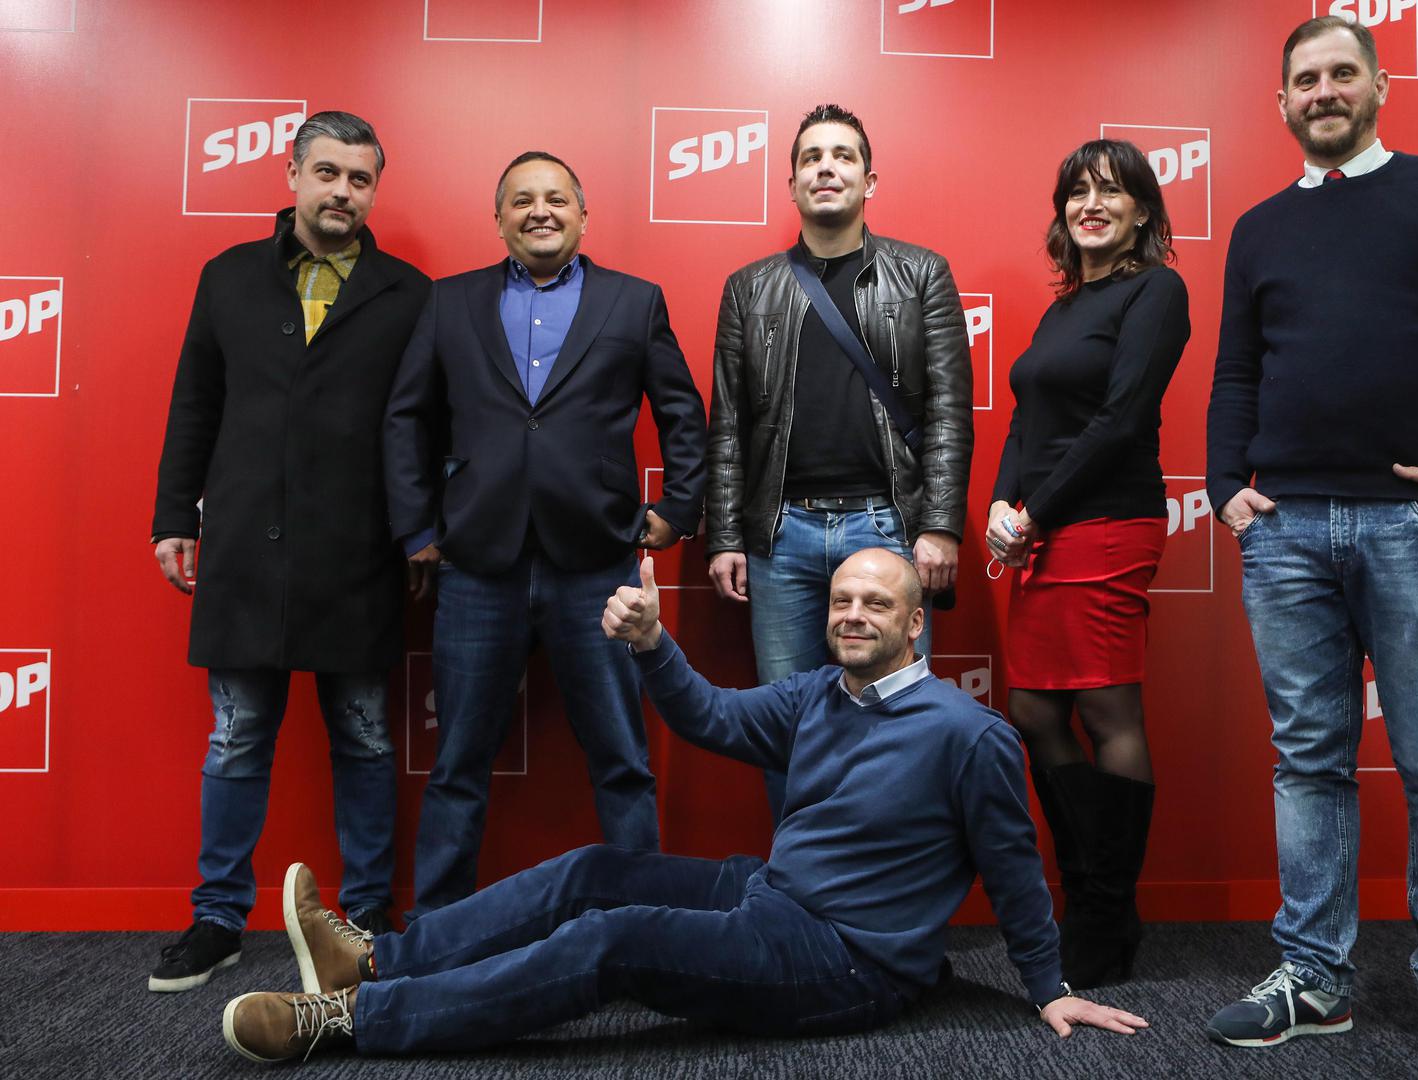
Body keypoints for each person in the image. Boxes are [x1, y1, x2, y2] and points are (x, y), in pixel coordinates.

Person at [218, 549, 1150, 1062]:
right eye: (840, 601)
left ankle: (351, 1020)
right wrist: (653, 643)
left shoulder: (967, 734)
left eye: (876, 603)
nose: (852, 615)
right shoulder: (817, 694)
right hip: (772, 895)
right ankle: (373, 957)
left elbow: (1013, 870)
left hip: (845, 959)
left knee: (614, 939)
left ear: (915, 623)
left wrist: (1047, 988)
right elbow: (708, 716)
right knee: (593, 871)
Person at [1203, 17, 1418, 1076]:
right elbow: (1234, 372)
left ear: (1379, 85)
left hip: (1417, 526)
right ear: (1280, 102)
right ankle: (1312, 977)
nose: (1322, 92)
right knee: (1307, 761)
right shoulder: (1258, 227)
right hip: (1286, 533)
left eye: (1340, 74)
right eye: (1303, 79)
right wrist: (1223, 489)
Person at [383, 151, 707, 920]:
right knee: (457, 765)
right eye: (522, 200)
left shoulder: (634, 302)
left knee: (622, 761)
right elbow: (405, 417)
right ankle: (434, 935)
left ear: (582, 215)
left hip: (596, 566)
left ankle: (644, 927)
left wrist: (678, 508)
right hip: (476, 567)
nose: (540, 211)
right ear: (498, 219)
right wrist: (416, 527)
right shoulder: (450, 302)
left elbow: (682, 413)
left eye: (556, 198)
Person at [148, 112, 431, 991]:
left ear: (373, 190)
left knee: (364, 738)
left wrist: (421, 531)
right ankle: (217, 918)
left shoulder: (408, 292)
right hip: (243, 549)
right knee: (236, 737)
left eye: (359, 179)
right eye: (327, 173)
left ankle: (368, 915)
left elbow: (424, 425)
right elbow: (194, 403)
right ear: (292, 175)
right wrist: (174, 516)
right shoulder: (228, 275)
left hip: (359, 553)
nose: (343, 191)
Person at [705, 103, 974, 820]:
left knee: (900, 726)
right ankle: (800, 877)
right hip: (780, 536)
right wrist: (726, 535)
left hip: (889, 530)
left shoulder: (922, 274)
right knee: (786, 730)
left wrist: (939, 526)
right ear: (792, 183)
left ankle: (896, 882)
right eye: (811, 157)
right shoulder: (748, 287)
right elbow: (727, 424)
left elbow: (950, 411)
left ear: (868, 180)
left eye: (843, 155)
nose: (826, 167)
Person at [986, 140, 1189, 990]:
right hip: (1043, 525)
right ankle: (1088, 898)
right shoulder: (1063, 307)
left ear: (1142, 211)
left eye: (1111, 191)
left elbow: (1120, 419)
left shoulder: (1157, 291)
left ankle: (1104, 916)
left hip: (1106, 523)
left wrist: (1034, 511)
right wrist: (1000, 503)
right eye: (1077, 191)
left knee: (1107, 710)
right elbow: (1023, 419)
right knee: (1033, 709)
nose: (1091, 204)